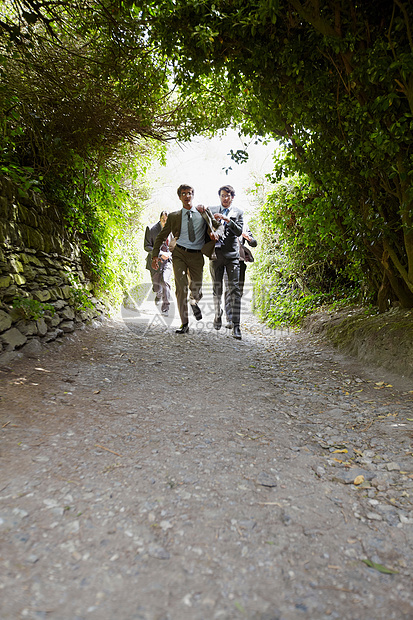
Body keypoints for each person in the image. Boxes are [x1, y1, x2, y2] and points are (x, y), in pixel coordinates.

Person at [151, 184, 218, 334]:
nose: (187, 196)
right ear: (180, 197)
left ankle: (194, 301)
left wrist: (216, 234)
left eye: (189, 193)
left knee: (197, 288)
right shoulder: (174, 216)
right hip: (179, 253)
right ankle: (184, 323)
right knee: (180, 288)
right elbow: (162, 236)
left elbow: (218, 226)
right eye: (184, 193)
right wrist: (155, 255)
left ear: (193, 195)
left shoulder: (202, 213)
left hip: (197, 255)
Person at [204, 185, 244, 340]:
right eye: (222, 195)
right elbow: (204, 224)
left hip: (232, 255)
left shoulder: (238, 212)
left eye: (228, 196)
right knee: (216, 289)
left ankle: (236, 326)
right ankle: (217, 314)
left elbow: (240, 231)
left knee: (235, 290)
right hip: (215, 254)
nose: (225, 198)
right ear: (219, 196)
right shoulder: (212, 209)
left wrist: (228, 220)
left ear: (232, 197)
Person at [224, 225, 257, 329]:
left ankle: (234, 316)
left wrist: (248, 238)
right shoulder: (224, 226)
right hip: (227, 262)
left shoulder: (244, 227)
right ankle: (230, 319)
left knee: (239, 291)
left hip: (240, 262)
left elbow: (254, 243)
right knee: (229, 289)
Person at [144, 211, 172, 315]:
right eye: (163, 220)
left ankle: (165, 307)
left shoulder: (173, 230)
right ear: (160, 219)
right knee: (157, 286)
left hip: (168, 261)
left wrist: (170, 254)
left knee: (165, 281)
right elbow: (146, 246)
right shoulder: (151, 229)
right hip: (154, 261)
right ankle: (158, 294)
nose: (165, 222)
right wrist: (160, 254)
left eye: (167, 220)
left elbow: (174, 246)